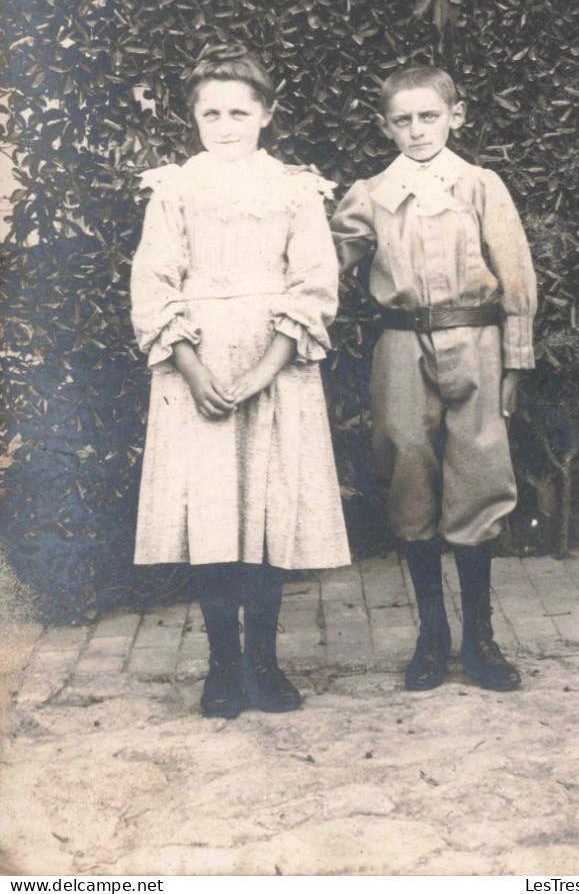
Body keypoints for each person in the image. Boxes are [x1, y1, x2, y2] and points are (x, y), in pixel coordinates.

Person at [131, 44, 350, 719]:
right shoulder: (175, 189)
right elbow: (153, 284)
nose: (225, 125)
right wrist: (192, 369)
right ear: (193, 118)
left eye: (239, 111)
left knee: (265, 511)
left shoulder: (294, 189)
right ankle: (221, 666)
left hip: (274, 369)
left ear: (266, 113)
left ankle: (265, 662)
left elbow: (314, 283)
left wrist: (264, 370)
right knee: (213, 514)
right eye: (211, 113)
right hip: (194, 370)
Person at [330, 65, 537, 693]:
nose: (416, 130)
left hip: (475, 338)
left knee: (478, 477)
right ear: (384, 126)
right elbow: (321, 259)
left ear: (457, 115)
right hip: (399, 345)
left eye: (429, 116)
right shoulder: (370, 194)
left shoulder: (479, 185)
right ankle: (431, 636)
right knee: (408, 475)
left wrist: (516, 359)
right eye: (402, 120)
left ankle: (480, 637)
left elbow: (517, 272)